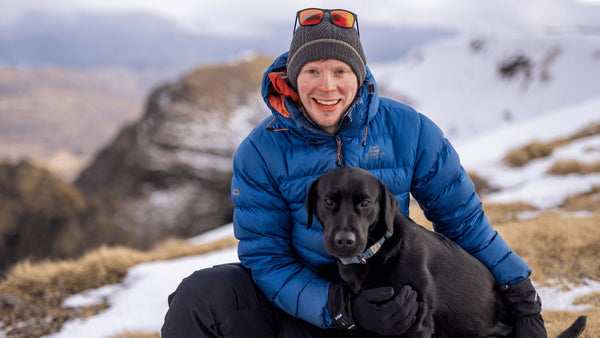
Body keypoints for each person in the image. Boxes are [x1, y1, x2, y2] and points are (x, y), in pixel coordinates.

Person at [162, 8, 547, 337]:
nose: (326, 86)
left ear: (359, 76)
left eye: (340, 71)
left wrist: (520, 294)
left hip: (387, 303)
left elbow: (463, 221)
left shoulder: (410, 130)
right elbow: (266, 259)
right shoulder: (261, 151)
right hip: (308, 307)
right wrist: (341, 308)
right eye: (312, 71)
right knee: (200, 296)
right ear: (293, 77)